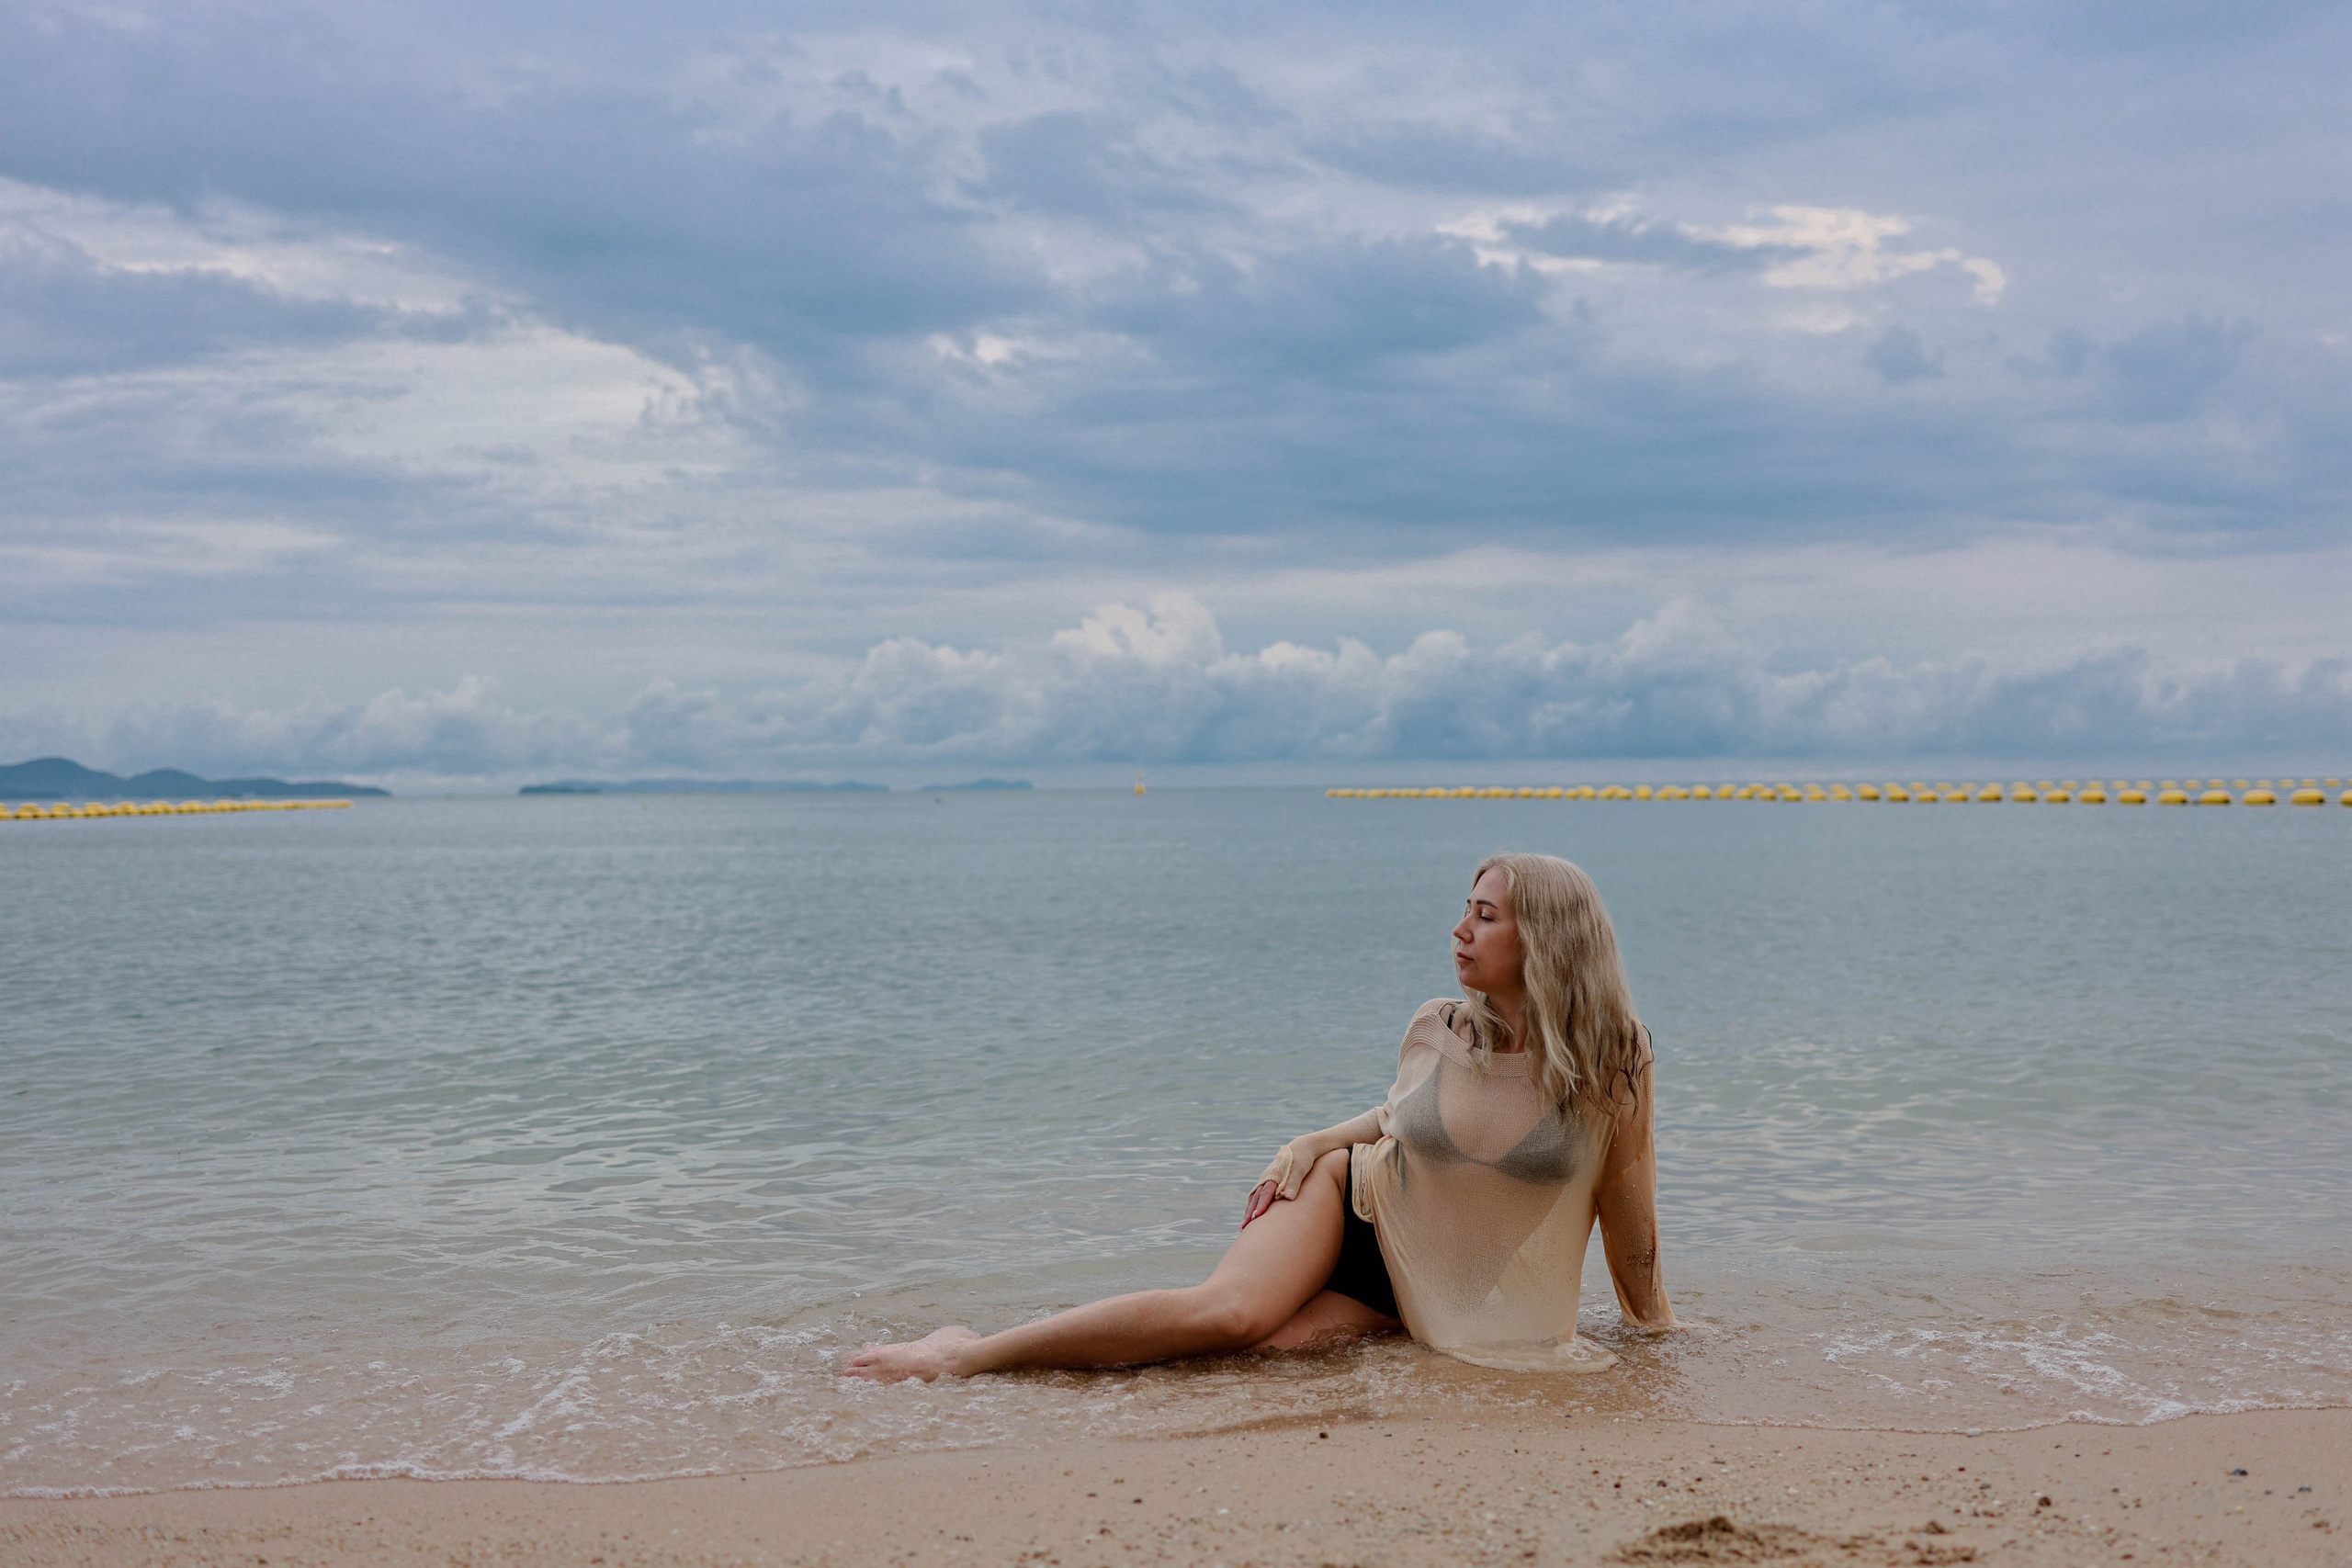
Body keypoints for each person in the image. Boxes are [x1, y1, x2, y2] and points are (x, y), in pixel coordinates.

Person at [843, 852, 1674, 1382]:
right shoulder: (1439, 1026)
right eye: (1465, 907)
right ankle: (964, 1351)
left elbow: (1629, 1221)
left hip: (1435, 1281)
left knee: (1267, 1357)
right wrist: (1314, 1143)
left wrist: (1660, 1332)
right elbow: (1399, 1120)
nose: (1459, 929)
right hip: (1357, 1207)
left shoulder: (1614, 1062)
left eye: (1485, 915)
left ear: (1550, 939)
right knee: (1229, 1318)